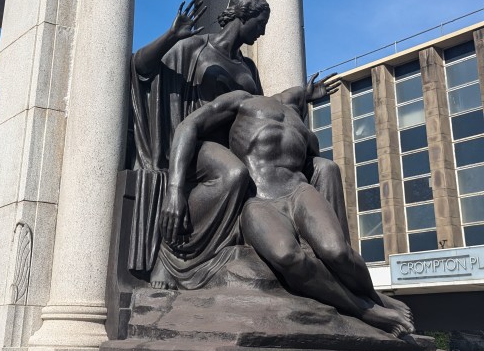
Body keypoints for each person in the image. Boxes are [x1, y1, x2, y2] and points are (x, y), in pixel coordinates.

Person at [130, 0, 348, 289]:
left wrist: (302, 96)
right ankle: (173, 256)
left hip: (239, 146)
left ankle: (335, 263)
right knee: (234, 173)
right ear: (243, 17)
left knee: (325, 168)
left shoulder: (248, 67)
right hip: (198, 143)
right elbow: (140, 68)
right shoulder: (194, 47)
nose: (263, 32)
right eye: (260, 24)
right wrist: (170, 37)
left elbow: (260, 109)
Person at [159, 87, 415, 337]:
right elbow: (188, 125)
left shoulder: (303, 129)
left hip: (300, 193)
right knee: (287, 256)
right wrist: (175, 188)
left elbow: (316, 164)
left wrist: (308, 97)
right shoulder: (243, 101)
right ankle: (364, 310)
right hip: (259, 201)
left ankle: (373, 296)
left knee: (337, 251)